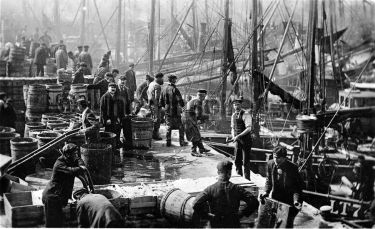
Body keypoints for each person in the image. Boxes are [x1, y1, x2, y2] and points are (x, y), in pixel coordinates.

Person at [193, 160, 259, 228]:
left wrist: (207, 215)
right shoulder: (237, 189)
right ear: (229, 173)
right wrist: (242, 213)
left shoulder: (210, 189)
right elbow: (254, 202)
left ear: (218, 172)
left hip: (216, 224)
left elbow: (195, 204)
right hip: (233, 224)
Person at [42, 143, 89, 227]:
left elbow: (79, 160)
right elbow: (70, 171)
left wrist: (81, 165)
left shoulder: (70, 159)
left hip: (59, 196)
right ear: (67, 154)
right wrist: (81, 168)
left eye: (76, 153)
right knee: (52, 223)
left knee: (59, 221)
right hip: (52, 196)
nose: (76, 155)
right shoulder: (59, 164)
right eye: (74, 153)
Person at [260, 146, 304, 228]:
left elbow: (297, 188)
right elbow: (268, 181)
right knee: (273, 222)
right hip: (275, 199)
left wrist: (296, 201)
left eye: (278, 158)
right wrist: (266, 192)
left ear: (285, 158)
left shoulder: (293, 168)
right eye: (274, 157)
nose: (276, 160)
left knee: (287, 224)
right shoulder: (270, 163)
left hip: (288, 201)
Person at [160, 74, 188, 147]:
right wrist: (183, 106)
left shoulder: (164, 89)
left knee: (169, 126)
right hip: (175, 111)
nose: (176, 80)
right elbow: (180, 99)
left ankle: (168, 142)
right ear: (172, 80)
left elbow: (161, 101)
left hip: (167, 111)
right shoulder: (175, 89)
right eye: (175, 79)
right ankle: (182, 142)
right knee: (181, 126)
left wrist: (166, 107)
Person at [182, 89, 210, 157]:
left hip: (186, 118)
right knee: (195, 135)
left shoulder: (193, 100)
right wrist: (208, 117)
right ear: (203, 96)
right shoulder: (198, 101)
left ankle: (201, 148)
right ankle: (193, 151)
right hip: (189, 119)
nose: (203, 98)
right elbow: (199, 115)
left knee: (197, 133)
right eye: (204, 96)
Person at [231, 98, 253, 180]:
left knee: (246, 161)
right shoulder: (233, 115)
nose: (236, 106)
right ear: (233, 106)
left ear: (241, 105)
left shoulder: (246, 114)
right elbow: (233, 128)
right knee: (237, 160)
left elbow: (249, 128)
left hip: (246, 140)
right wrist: (234, 136)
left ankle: (247, 179)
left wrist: (238, 136)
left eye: (238, 104)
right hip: (237, 140)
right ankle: (239, 178)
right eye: (235, 104)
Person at [100, 82, 123, 147]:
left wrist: (119, 117)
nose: (113, 89)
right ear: (108, 88)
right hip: (108, 119)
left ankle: (117, 144)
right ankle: (110, 146)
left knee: (117, 131)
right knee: (109, 133)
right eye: (111, 87)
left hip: (116, 118)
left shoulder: (118, 97)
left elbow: (120, 108)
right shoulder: (104, 97)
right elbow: (102, 110)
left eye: (114, 88)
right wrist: (106, 119)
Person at [117, 75, 132, 148]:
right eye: (121, 80)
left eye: (124, 81)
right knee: (117, 127)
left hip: (125, 111)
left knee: (126, 127)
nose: (122, 82)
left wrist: (129, 112)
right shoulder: (115, 89)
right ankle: (117, 142)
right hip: (117, 112)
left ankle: (126, 143)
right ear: (118, 80)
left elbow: (128, 101)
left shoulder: (126, 89)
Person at [147, 72, 164, 140]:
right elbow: (157, 97)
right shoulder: (157, 86)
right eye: (161, 78)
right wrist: (160, 105)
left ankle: (152, 134)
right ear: (158, 78)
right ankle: (155, 135)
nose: (162, 80)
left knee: (153, 119)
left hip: (151, 104)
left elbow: (147, 93)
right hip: (155, 105)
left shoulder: (151, 84)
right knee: (157, 120)